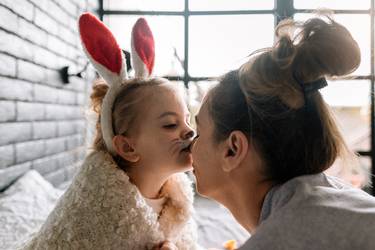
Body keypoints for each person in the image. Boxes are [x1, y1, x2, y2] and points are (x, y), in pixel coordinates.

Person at [189, 15, 375, 250]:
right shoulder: (333, 200)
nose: (189, 145)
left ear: (233, 149)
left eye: (199, 132)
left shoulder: (281, 239)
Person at [19, 13, 199, 249]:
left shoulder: (176, 198)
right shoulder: (98, 211)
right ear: (127, 146)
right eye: (170, 125)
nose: (188, 131)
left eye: (187, 120)